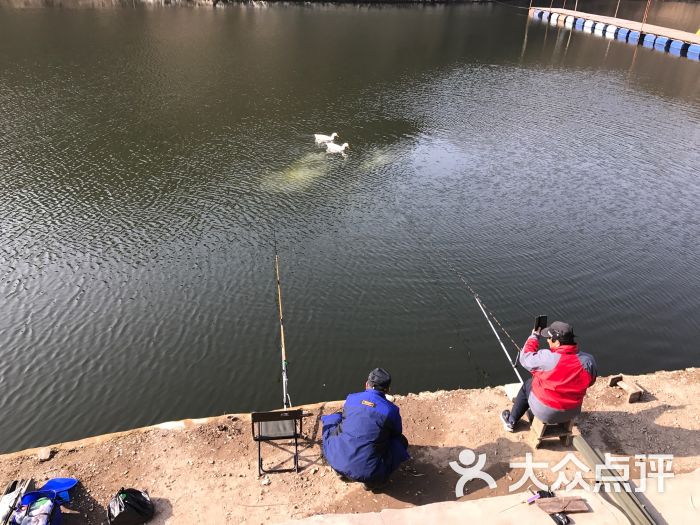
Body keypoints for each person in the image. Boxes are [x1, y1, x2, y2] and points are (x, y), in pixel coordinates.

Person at [501, 321, 597, 432]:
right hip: (572, 412)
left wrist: (534, 336)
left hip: (545, 413)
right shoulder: (588, 361)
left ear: (557, 342)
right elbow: (590, 382)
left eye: (549, 338)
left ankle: (511, 421)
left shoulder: (546, 358)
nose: (547, 340)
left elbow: (524, 357)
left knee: (527, 385)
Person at [322, 368, 410, 488]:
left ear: (366, 384)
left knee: (334, 418)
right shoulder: (391, 410)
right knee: (401, 442)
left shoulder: (351, 398)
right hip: (369, 472)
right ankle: (373, 482)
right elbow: (396, 433)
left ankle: (340, 471)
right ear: (388, 390)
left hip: (336, 459)